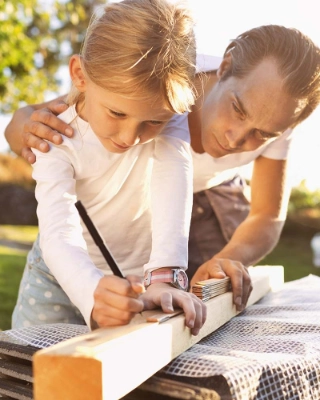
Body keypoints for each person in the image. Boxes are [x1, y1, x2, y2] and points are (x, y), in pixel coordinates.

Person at [6, 25, 320, 312]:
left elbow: (267, 214)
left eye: (263, 135)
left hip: (202, 199)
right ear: (224, 66)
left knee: (198, 303)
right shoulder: (167, 77)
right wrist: (24, 126)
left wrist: (227, 259)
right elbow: (77, 105)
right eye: (237, 110)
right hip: (119, 201)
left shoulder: (279, 116)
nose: (237, 139)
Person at [5, 0, 207, 335]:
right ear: (79, 75)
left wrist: (165, 277)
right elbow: (58, 231)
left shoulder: (171, 114)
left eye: (153, 121)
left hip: (135, 280)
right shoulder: (54, 135)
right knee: (31, 374)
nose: (130, 137)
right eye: (117, 113)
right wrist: (90, 292)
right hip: (55, 277)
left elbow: (174, 177)